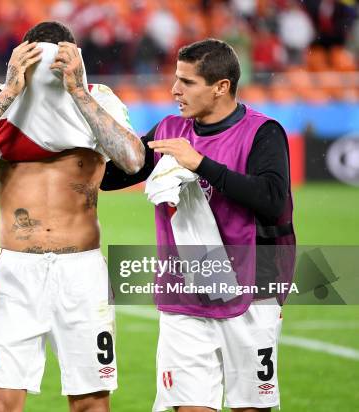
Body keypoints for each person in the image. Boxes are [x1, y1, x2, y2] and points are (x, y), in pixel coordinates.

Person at [0, 21, 145, 412]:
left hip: (81, 273)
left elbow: (133, 161)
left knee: (91, 405)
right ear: (23, 56)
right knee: (0, 403)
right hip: (18, 272)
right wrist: (12, 89)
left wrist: (78, 90)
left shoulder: (98, 98)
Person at [100, 38, 295, 412]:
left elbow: (272, 200)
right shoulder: (169, 129)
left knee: (250, 407)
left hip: (252, 292)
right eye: (176, 79)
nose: (174, 89)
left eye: (187, 82)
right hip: (183, 294)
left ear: (221, 87)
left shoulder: (263, 132)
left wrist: (201, 164)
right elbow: (111, 178)